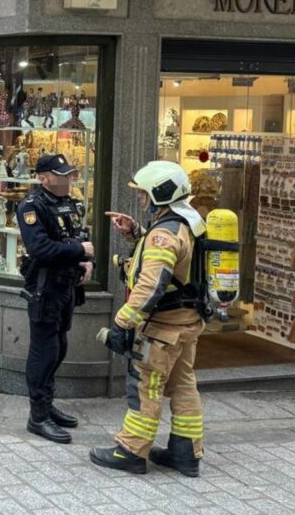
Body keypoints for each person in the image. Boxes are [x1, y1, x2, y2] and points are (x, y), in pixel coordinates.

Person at [92, 161, 207, 476]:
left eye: (144, 194)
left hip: (162, 329)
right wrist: (135, 233)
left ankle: (130, 450)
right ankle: (186, 454)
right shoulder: (187, 221)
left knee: (146, 386)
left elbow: (151, 284)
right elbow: (179, 263)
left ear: (161, 193)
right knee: (184, 385)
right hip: (186, 324)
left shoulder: (164, 234)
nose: (141, 199)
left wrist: (122, 322)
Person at [15, 152, 94, 445]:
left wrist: (86, 262)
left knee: (59, 346)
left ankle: (47, 404)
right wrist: (80, 252)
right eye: (61, 175)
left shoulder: (70, 203)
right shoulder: (31, 206)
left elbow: (78, 235)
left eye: (69, 174)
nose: (67, 180)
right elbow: (41, 249)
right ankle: (37, 416)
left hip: (68, 285)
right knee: (44, 351)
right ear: (43, 177)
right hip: (45, 288)